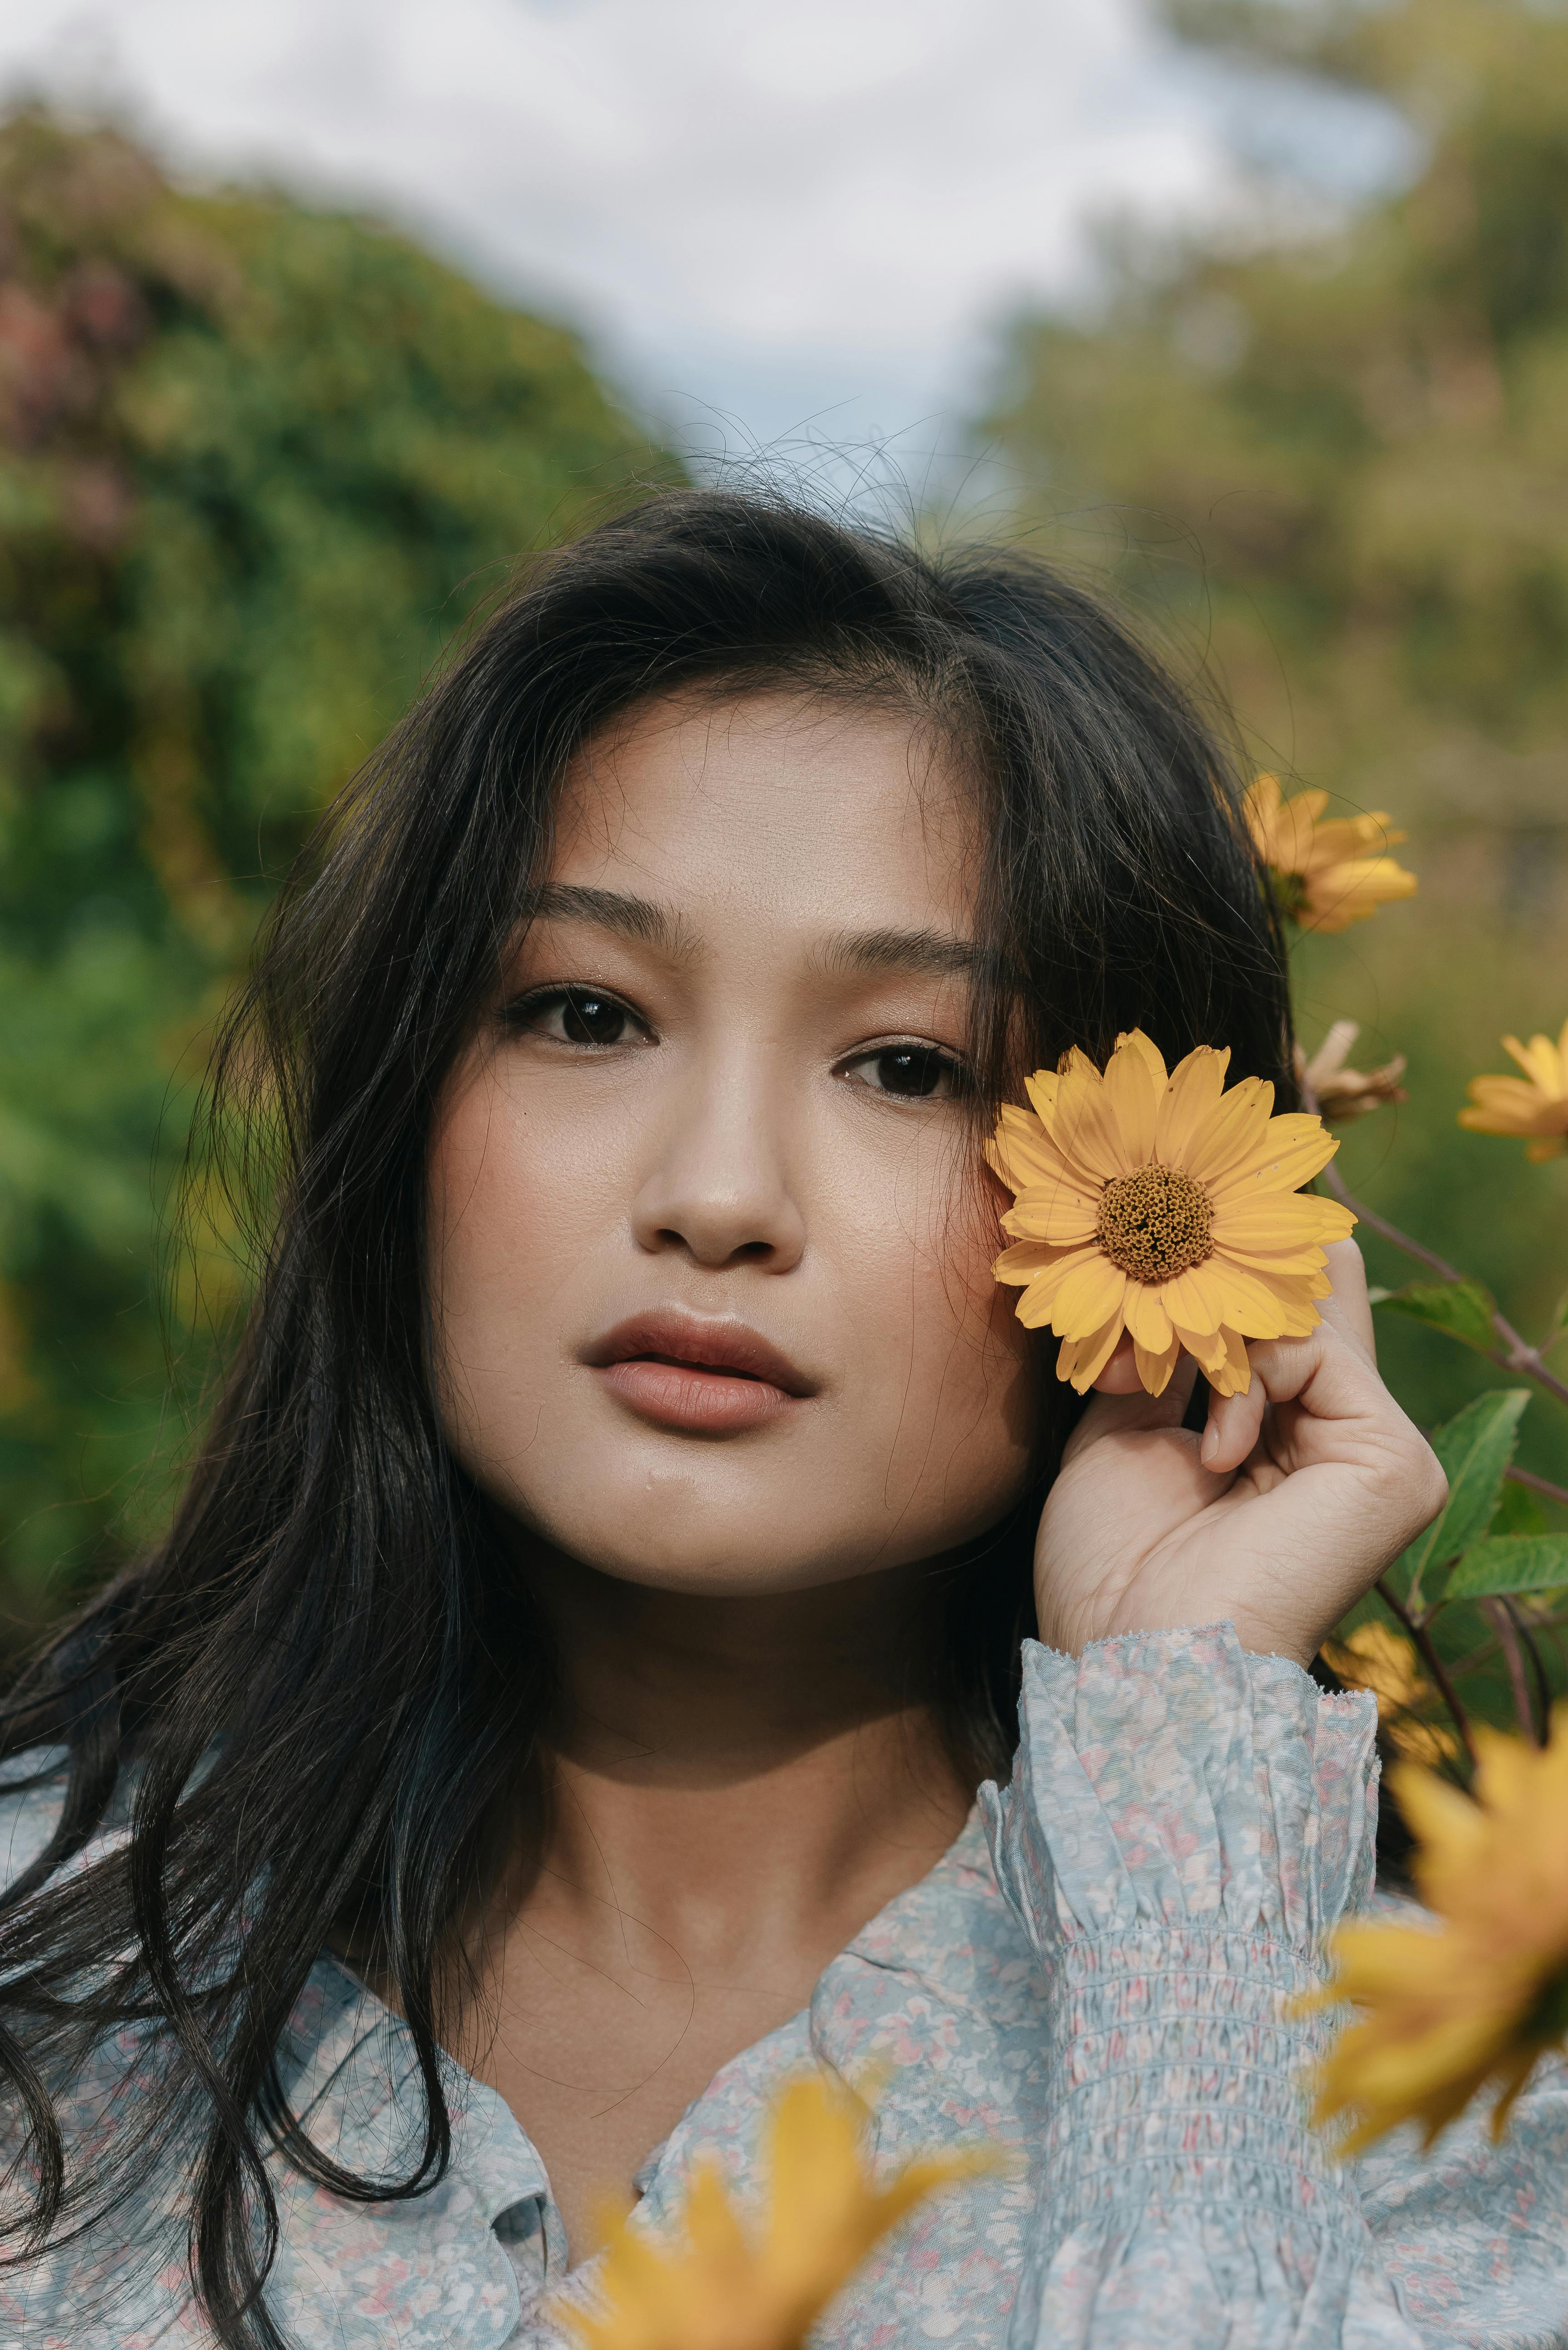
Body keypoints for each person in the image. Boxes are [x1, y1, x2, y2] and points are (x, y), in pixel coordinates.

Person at [0, 489, 1558, 2350]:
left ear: (1166, 1217)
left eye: (911, 1064)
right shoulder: (51, 1979)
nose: (720, 1191)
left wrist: (1179, 1724)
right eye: (584, 1012)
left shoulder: (1439, 2101)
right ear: (405, 1104)